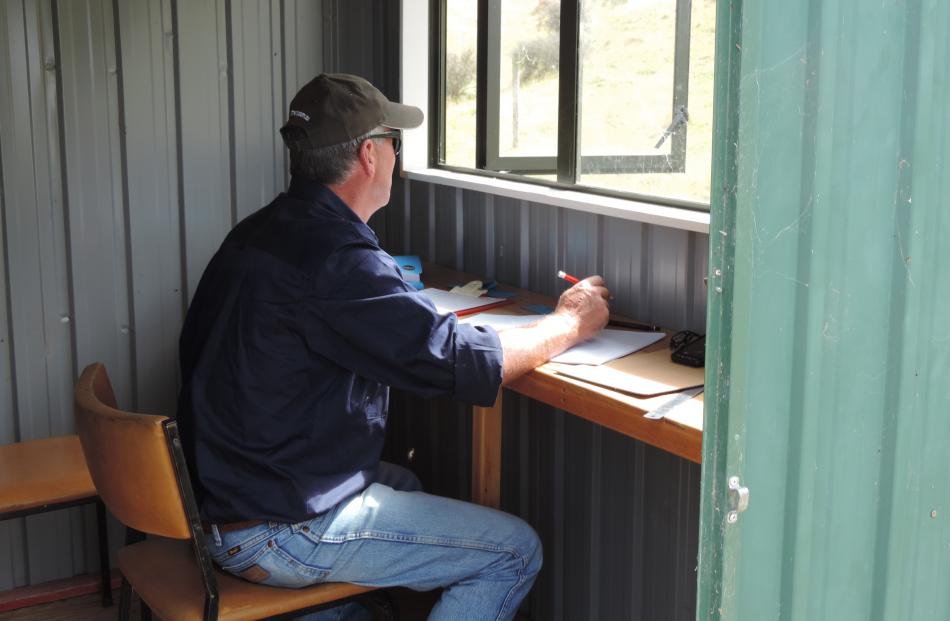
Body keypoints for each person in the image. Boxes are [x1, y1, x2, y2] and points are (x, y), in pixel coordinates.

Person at [176, 73, 610, 621]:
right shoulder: (340, 260)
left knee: (404, 482)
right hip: (273, 531)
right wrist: (570, 321)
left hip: (220, 503)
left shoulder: (260, 231)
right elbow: (466, 361)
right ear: (368, 156)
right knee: (512, 552)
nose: (396, 158)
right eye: (393, 143)